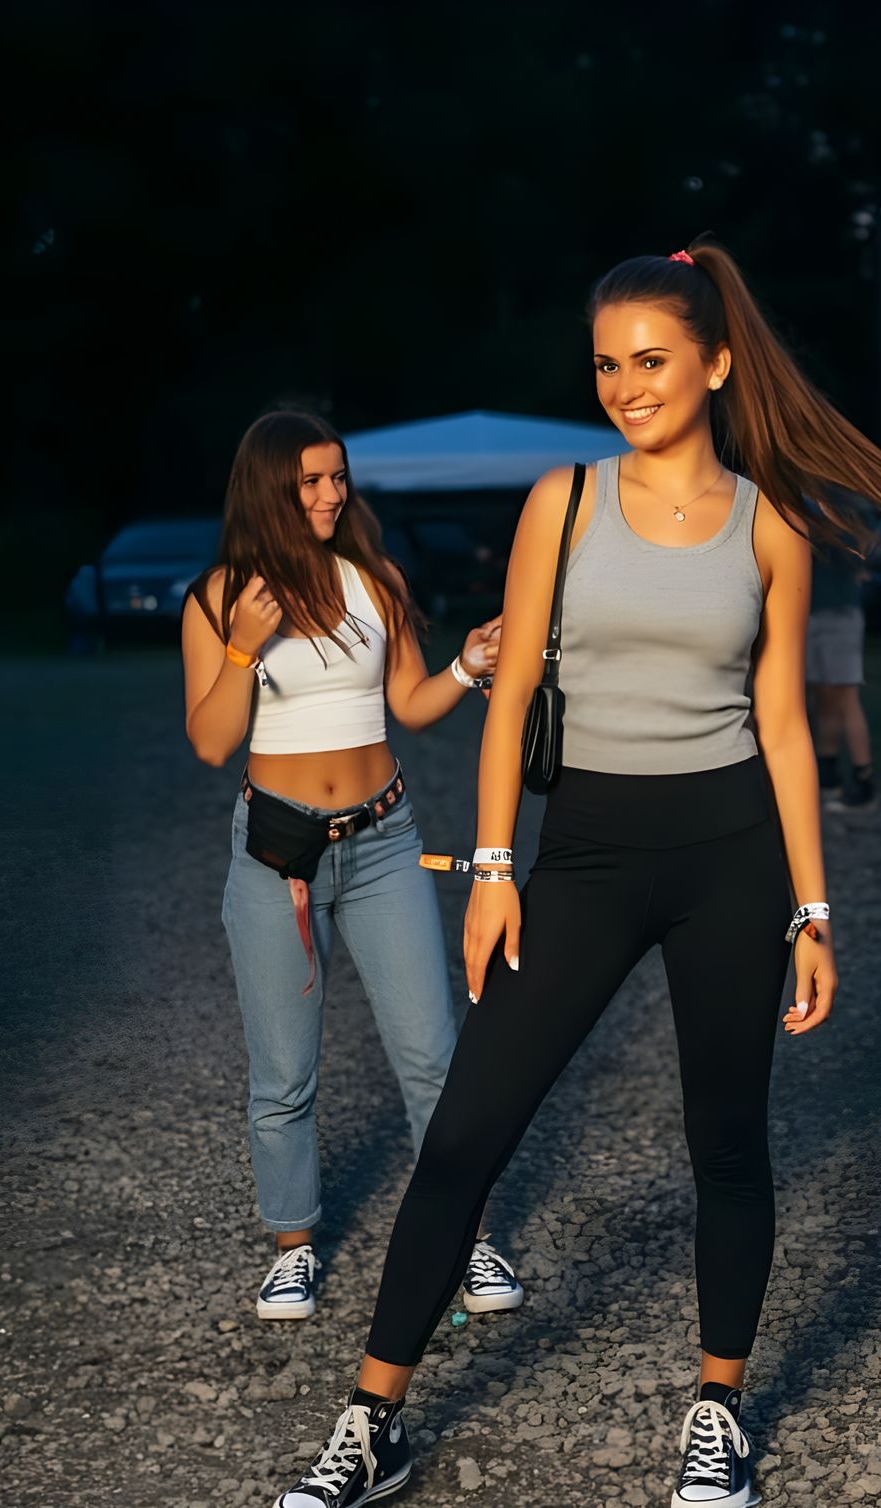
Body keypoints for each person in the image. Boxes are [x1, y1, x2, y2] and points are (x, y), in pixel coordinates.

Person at [267, 241, 881, 1508]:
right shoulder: (564, 501)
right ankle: (374, 1420)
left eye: (651, 361)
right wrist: (490, 871)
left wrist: (814, 910)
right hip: (581, 854)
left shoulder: (769, 521)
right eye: (606, 364)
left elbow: (778, 724)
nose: (626, 386)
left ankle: (718, 1407)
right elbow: (514, 688)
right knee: (468, 1133)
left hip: (731, 859)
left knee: (727, 1141)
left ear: (712, 362)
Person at [181, 410, 524, 1327]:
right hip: (274, 857)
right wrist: (245, 646)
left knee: (431, 1053)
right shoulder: (218, 598)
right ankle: (295, 1246)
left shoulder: (376, 580)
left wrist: (467, 663)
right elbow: (212, 742)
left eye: (338, 478)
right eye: (311, 481)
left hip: (382, 843)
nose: (332, 494)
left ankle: (469, 1236)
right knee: (283, 1073)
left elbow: (410, 704)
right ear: (268, 488)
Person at [808, 541, 877, 812]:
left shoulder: (836, 511)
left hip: (835, 614)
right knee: (824, 699)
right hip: (819, 612)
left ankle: (863, 783)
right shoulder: (840, 510)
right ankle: (828, 778)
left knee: (845, 698)